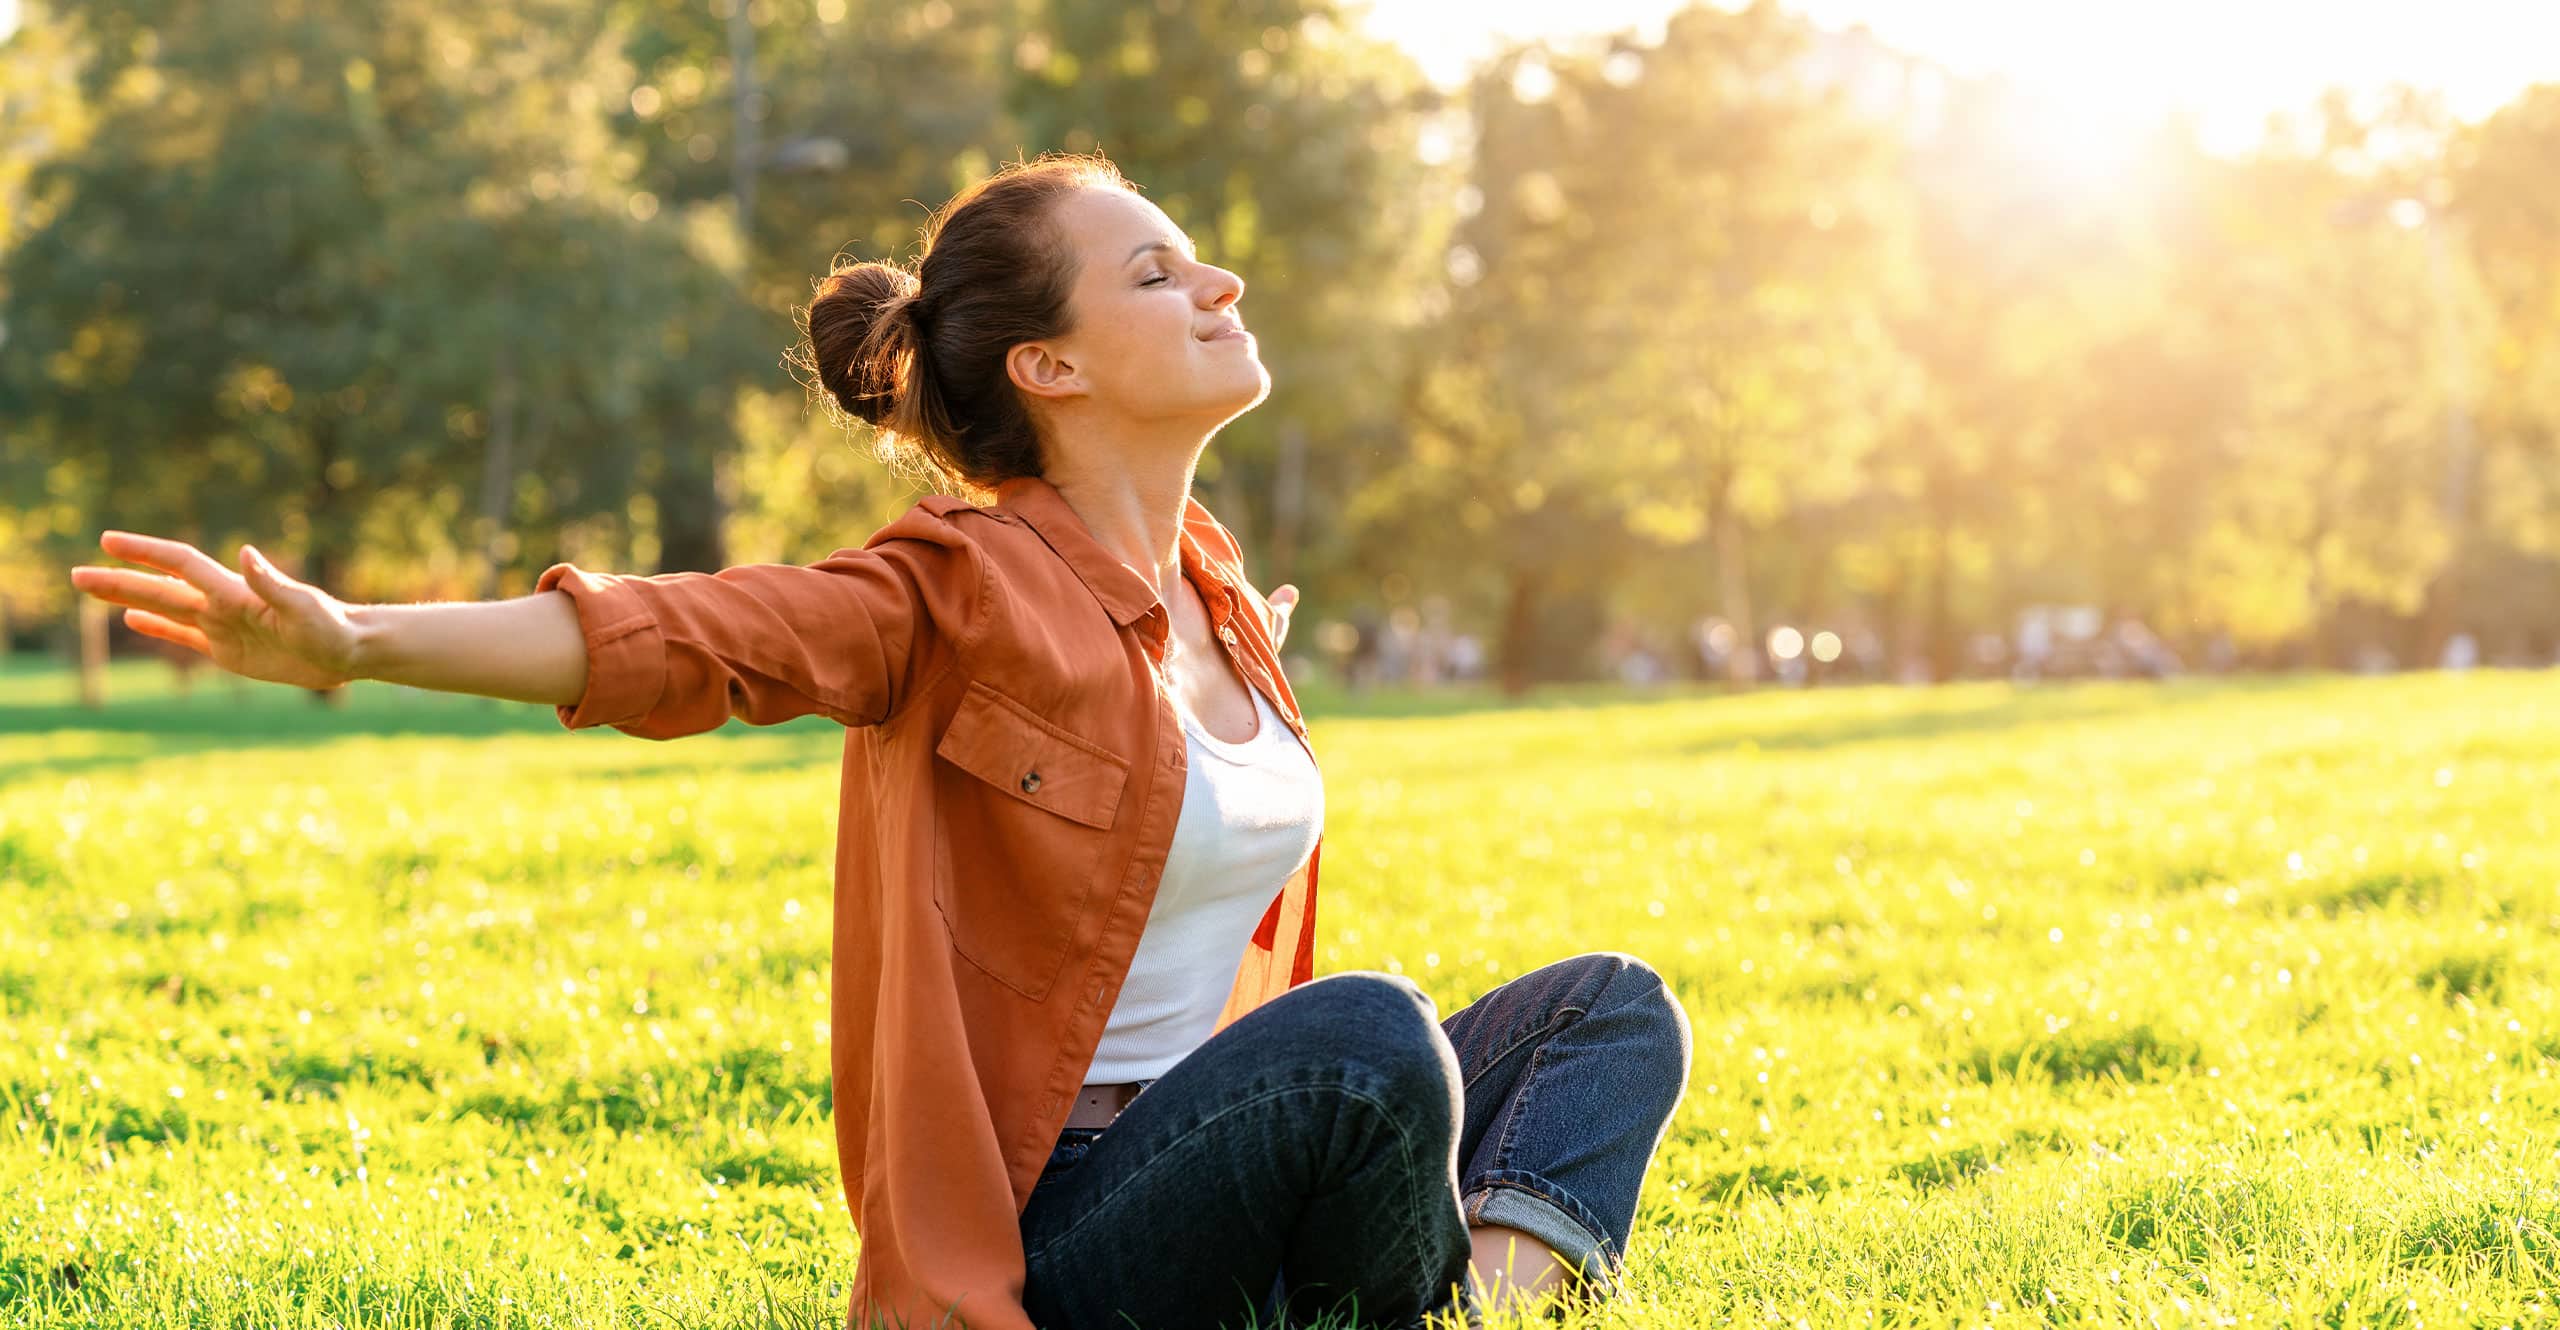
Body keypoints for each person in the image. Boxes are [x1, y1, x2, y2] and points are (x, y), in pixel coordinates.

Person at [67, 152, 1692, 1330]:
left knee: (1608, 1014)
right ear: (1048, 367)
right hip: (1070, 1235)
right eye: (1156, 271)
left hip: (1234, 1150)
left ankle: (1472, 1304)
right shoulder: (958, 586)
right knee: (1369, 1042)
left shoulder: (1213, 593)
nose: (1220, 283)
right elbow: (685, 636)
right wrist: (354, 638)